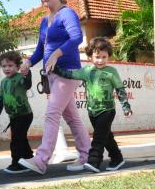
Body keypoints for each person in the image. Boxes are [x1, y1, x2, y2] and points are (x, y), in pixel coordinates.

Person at [18, 0, 91, 175]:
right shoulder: (44, 21)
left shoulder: (67, 14)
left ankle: (41, 159)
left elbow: (76, 37)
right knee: (72, 118)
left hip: (67, 71)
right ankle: (87, 155)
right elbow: (40, 51)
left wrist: (58, 53)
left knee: (52, 113)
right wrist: (28, 63)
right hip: (52, 75)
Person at [55, 37, 132, 173]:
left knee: (98, 138)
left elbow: (120, 90)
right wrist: (55, 69)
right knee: (106, 137)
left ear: (108, 56)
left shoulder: (111, 72)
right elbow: (70, 74)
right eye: (97, 57)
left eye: (104, 57)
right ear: (90, 56)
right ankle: (117, 158)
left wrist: (126, 107)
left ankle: (94, 162)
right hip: (92, 112)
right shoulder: (87, 71)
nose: (101, 60)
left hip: (107, 110)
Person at [0, 51, 33, 174]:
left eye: (10, 66)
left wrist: (27, 74)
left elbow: (27, 85)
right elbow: (0, 99)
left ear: (17, 66)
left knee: (16, 140)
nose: (7, 68)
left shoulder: (20, 78)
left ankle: (17, 163)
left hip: (24, 115)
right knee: (21, 138)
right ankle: (29, 159)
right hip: (14, 116)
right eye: (4, 66)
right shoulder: (3, 82)